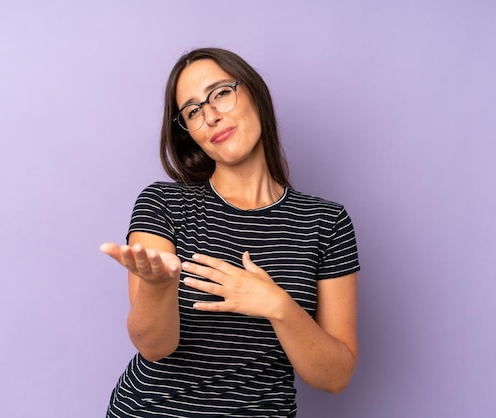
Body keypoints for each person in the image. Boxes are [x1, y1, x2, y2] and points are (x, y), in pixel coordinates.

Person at [100, 47, 360, 417]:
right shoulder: (164, 203)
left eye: (221, 92)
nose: (211, 116)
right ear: (189, 131)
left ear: (253, 92)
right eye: (192, 111)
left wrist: (277, 305)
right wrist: (158, 287)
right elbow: (153, 347)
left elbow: (336, 377)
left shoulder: (326, 222)